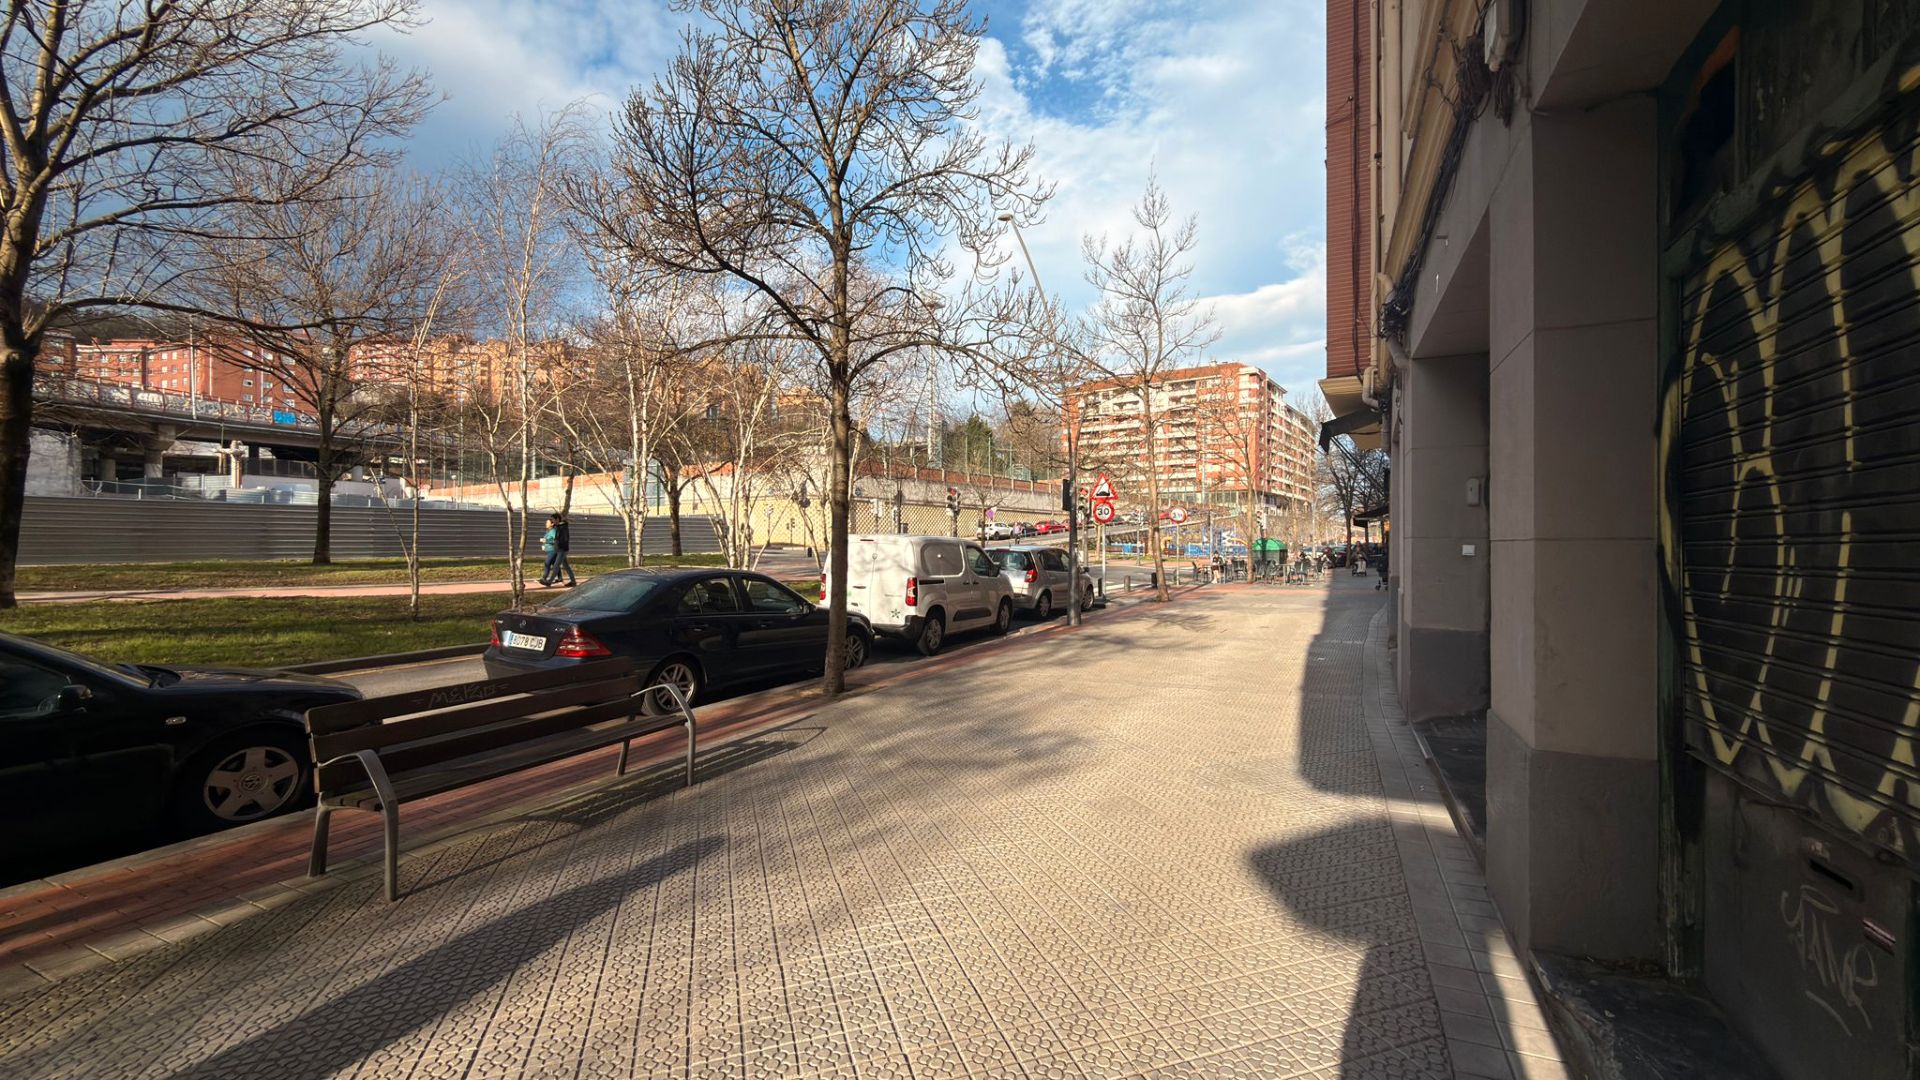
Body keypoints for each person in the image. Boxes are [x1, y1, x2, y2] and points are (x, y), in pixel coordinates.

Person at [553, 512, 576, 587]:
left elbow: (564, 539)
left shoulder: (563, 527)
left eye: (553, 519)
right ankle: (573, 581)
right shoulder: (558, 527)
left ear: (557, 519)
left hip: (562, 549)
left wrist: (560, 546)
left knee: (556, 565)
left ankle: (549, 581)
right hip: (560, 549)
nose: (552, 521)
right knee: (566, 566)